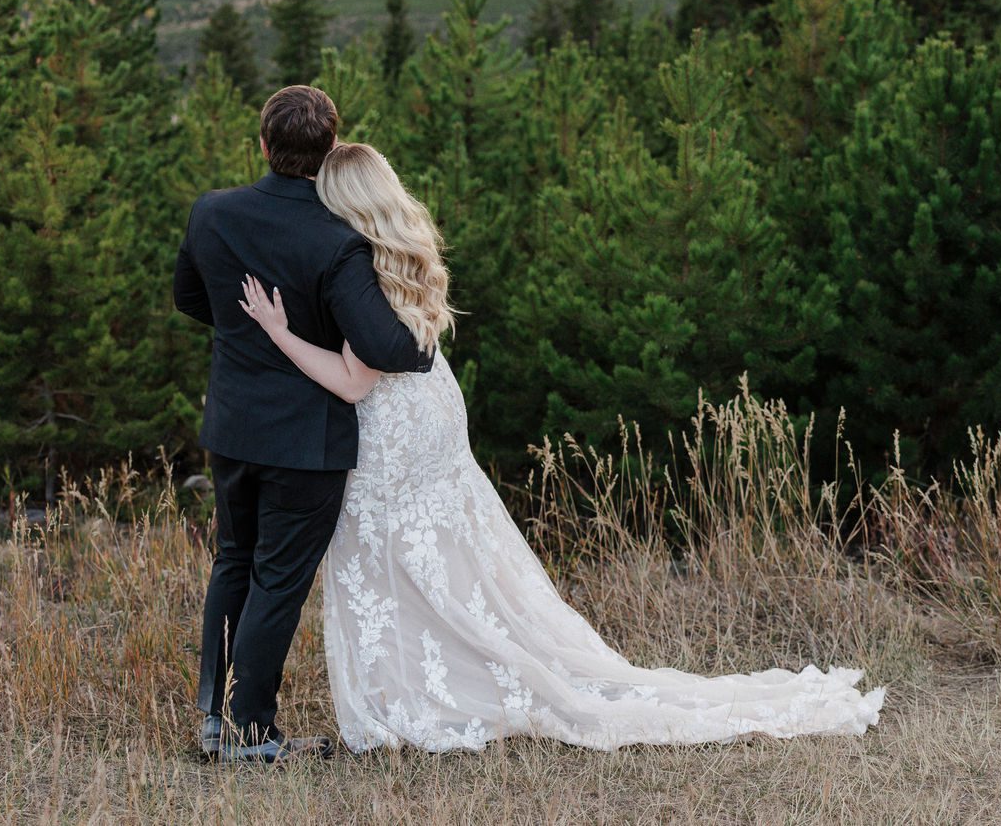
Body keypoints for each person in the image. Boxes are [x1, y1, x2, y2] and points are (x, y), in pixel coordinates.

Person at [239, 140, 886, 753]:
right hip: (432, 410)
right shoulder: (404, 251)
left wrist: (280, 333)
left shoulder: (355, 266)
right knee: (445, 559)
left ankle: (412, 698)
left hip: (390, 425)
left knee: (388, 556)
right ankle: (434, 682)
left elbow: (354, 382)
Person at [173, 87, 434, 765]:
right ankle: (246, 731)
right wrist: (423, 341)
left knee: (233, 562)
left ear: (263, 144)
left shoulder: (212, 213)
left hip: (231, 426)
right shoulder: (339, 241)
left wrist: (249, 335)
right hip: (306, 444)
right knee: (278, 580)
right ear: (327, 153)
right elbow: (385, 346)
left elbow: (188, 296)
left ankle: (216, 712)